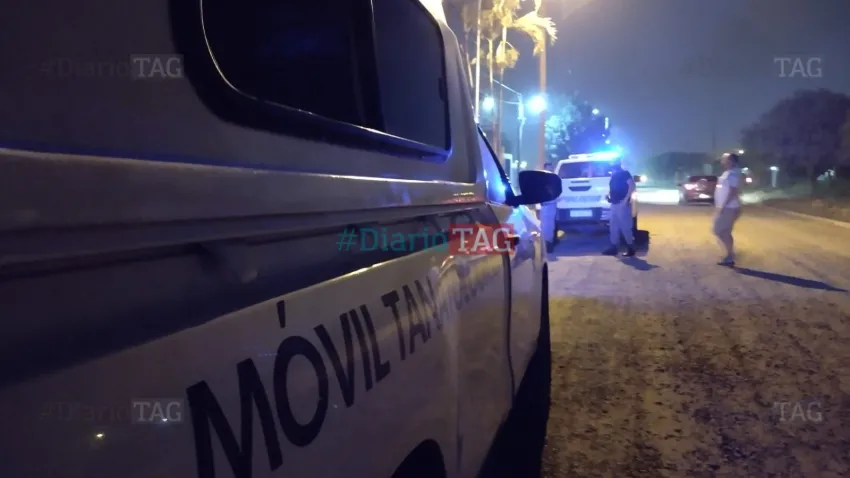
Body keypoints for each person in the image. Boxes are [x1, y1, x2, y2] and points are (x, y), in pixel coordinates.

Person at [602, 158, 636, 257]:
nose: (611, 165)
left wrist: (625, 200)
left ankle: (631, 248)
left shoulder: (624, 173)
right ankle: (614, 247)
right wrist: (608, 195)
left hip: (622, 204)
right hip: (614, 204)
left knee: (625, 227)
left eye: (613, 163)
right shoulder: (614, 175)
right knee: (613, 226)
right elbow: (612, 188)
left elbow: (632, 186)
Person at [713, 152, 742, 266]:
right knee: (724, 231)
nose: (722, 161)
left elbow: (733, 192)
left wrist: (723, 206)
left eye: (724, 159)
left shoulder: (733, 174)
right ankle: (729, 254)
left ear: (731, 161)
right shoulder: (727, 173)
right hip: (727, 207)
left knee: (719, 230)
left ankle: (730, 255)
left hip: (729, 207)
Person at [539, 162, 558, 252]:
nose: (550, 169)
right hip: (545, 205)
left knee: (550, 226)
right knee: (545, 225)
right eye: (548, 168)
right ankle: (546, 244)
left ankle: (549, 243)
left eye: (551, 168)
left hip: (552, 204)